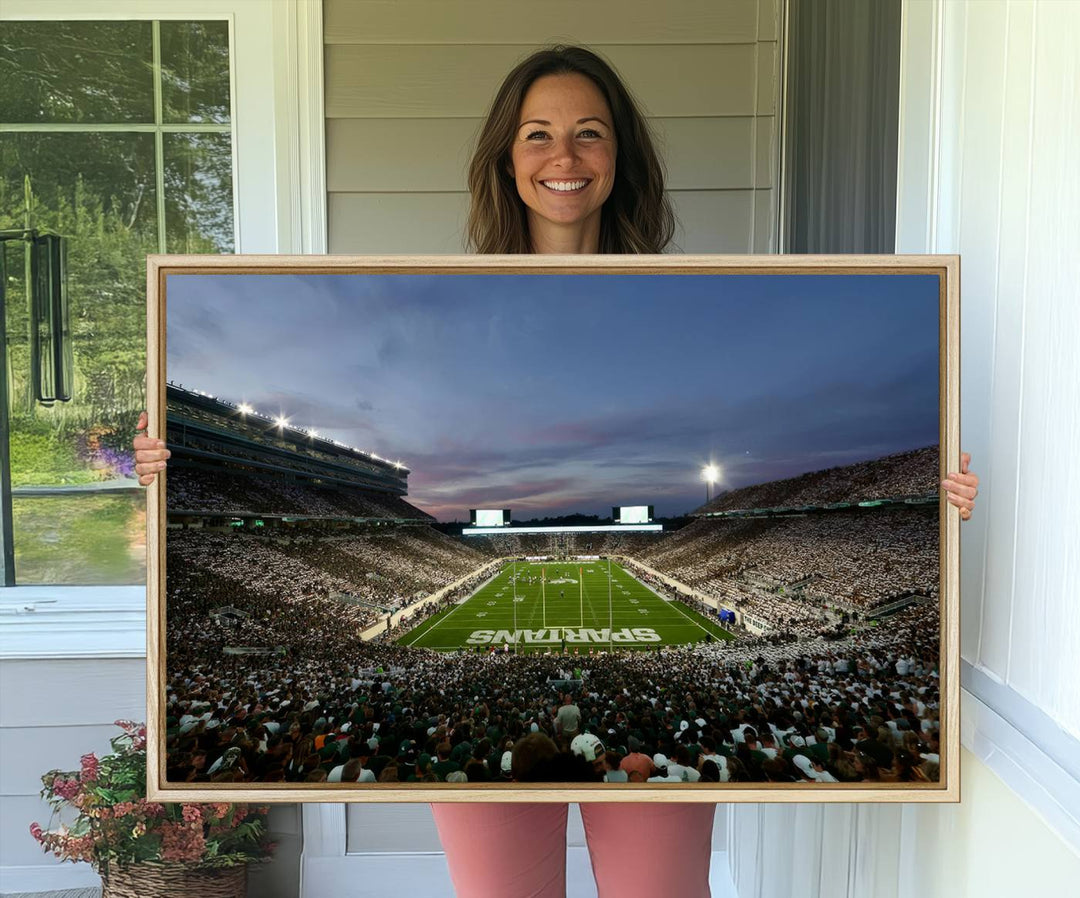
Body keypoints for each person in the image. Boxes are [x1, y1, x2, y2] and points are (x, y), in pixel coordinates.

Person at [135, 43, 980, 898]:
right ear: (506, 157)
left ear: (621, 157)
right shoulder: (457, 307)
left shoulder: (681, 299)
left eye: (589, 133)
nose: (563, 157)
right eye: (537, 134)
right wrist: (165, 471)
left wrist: (935, 505)